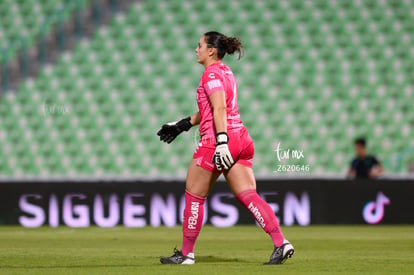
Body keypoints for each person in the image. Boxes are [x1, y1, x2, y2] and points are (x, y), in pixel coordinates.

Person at [157, 31, 294, 265]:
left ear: (211, 50)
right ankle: (280, 242)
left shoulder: (210, 74)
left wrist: (221, 142)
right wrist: (184, 124)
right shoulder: (226, 72)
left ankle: (187, 254)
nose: (196, 49)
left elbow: (219, 109)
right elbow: (214, 108)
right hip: (241, 138)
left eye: (199, 45)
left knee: (194, 196)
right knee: (249, 195)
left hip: (218, 140)